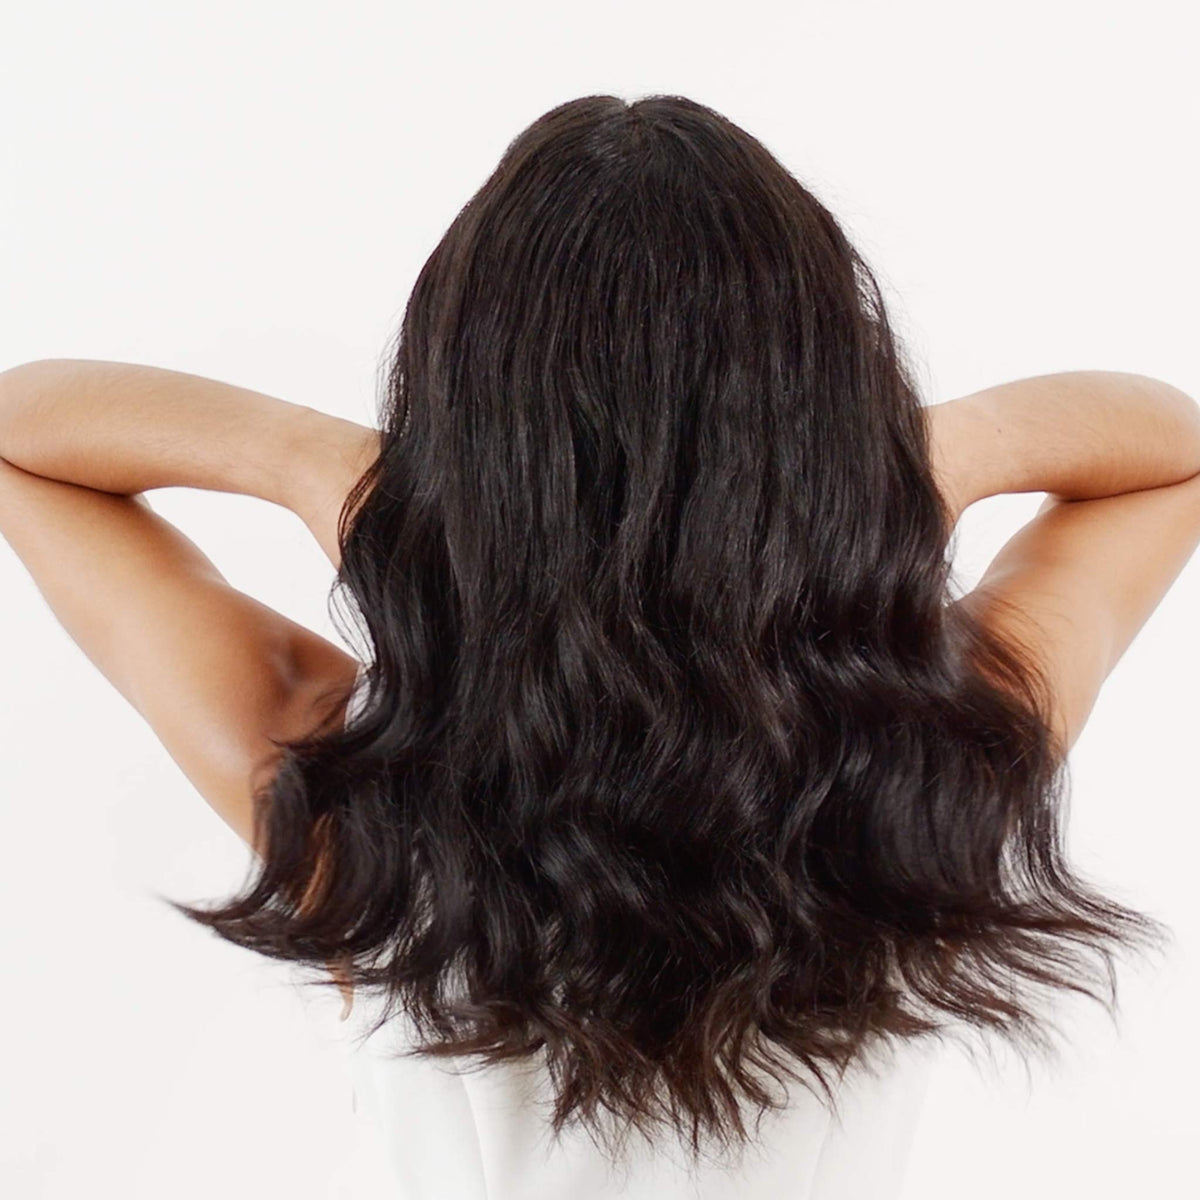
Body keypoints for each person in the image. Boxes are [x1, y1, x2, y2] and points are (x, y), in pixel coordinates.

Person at [2, 93, 1199, 1197]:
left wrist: (335, 471)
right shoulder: (939, 771)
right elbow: (1170, 451)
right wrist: (896, 471)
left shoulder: (348, 801)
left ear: (468, 424)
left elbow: (22, 433)